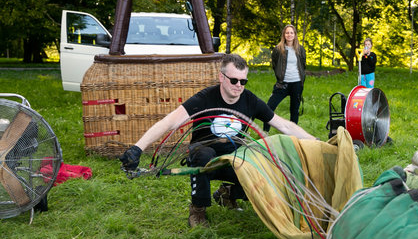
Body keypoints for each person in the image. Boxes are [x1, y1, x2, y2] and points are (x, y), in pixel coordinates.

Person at [119, 53, 316, 228]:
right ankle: (198, 210)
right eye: (234, 80)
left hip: (235, 158)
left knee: (263, 167)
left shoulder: (250, 101)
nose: (239, 86)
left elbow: (284, 125)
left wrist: (314, 140)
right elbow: (169, 122)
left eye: (243, 81)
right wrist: (137, 148)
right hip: (204, 156)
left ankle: (227, 193)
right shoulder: (204, 99)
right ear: (222, 77)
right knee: (202, 153)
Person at [264, 24, 307, 132]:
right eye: (287, 32)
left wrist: (301, 80)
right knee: (269, 107)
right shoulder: (278, 49)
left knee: (294, 110)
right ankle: (265, 132)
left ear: (295, 35)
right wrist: (280, 76)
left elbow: (303, 65)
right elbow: (274, 64)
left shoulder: (300, 49)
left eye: (291, 33)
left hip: (297, 83)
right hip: (282, 84)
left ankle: (293, 134)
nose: (289, 35)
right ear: (284, 34)